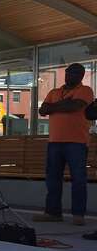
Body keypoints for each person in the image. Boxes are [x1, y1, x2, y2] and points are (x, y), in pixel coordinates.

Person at [34, 63, 93, 226]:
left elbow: (75, 106)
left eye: (75, 73)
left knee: (78, 179)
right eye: (69, 72)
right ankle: (53, 213)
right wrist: (62, 105)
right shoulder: (54, 92)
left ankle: (78, 214)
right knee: (53, 179)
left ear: (81, 76)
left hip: (77, 142)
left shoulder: (85, 90)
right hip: (54, 141)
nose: (71, 75)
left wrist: (53, 107)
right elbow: (42, 110)